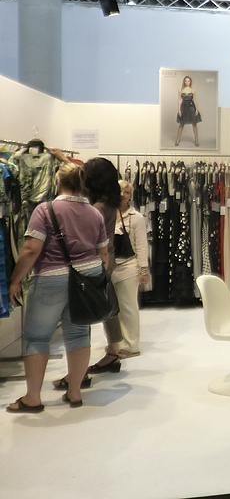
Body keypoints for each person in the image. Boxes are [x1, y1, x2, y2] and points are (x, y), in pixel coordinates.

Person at [6, 162, 109, 412]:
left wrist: (16, 280)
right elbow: (103, 253)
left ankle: (33, 397)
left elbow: (31, 250)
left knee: (37, 337)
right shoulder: (94, 213)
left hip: (52, 277)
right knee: (79, 333)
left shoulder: (45, 210)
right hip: (86, 277)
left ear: (57, 181)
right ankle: (75, 392)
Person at [83, 158, 124, 376]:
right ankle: (113, 352)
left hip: (97, 259)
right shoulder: (110, 201)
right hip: (106, 257)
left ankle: (80, 367)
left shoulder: (97, 207)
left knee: (86, 310)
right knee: (108, 305)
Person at [111, 180, 149, 358]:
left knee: (128, 308)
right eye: (119, 191)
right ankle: (117, 342)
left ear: (130, 196)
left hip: (129, 267)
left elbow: (141, 245)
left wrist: (144, 270)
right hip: (110, 268)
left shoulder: (136, 218)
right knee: (112, 309)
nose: (122, 195)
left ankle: (132, 346)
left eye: (126, 192)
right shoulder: (106, 213)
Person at [175, 75, 201, 146]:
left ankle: (196, 140)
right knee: (181, 124)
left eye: (188, 81)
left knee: (194, 124)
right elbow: (179, 100)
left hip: (191, 107)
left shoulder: (192, 90)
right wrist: (179, 110)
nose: (187, 82)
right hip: (184, 107)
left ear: (190, 82)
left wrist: (196, 109)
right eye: (186, 81)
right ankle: (177, 140)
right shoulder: (181, 90)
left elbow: (195, 100)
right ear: (184, 82)